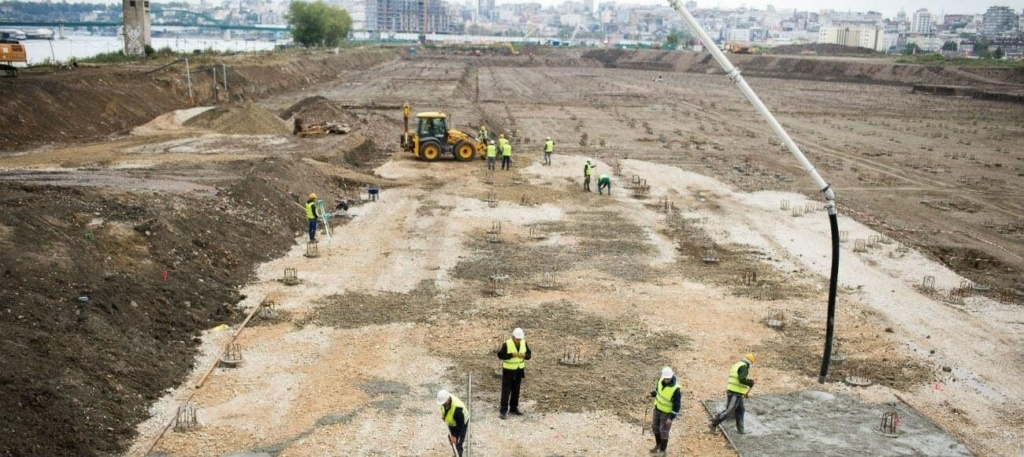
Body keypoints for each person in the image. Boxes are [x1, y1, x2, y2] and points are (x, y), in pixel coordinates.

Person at [708, 353, 756, 434]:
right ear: (750, 362)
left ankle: (741, 430)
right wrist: (751, 382)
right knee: (729, 411)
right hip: (735, 393)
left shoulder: (738, 364)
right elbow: (741, 379)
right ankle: (713, 424)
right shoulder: (744, 367)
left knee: (741, 410)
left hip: (737, 392)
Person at [497, 327, 531, 419]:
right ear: (513, 337)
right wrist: (511, 355)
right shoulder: (507, 344)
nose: (519, 341)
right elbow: (500, 355)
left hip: (519, 370)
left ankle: (513, 408)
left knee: (516, 390)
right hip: (508, 371)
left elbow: (529, 355)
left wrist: (524, 356)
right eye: (517, 339)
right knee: (506, 391)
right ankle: (503, 410)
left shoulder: (524, 343)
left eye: (520, 339)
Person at [649, 366, 681, 456]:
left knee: (663, 430)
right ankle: (658, 444)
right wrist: (651, 394)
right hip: (657, 408)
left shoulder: (676, 389)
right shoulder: (660, 380)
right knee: (654, 426)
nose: (667, 380)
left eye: (668, 378)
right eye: (665, 378)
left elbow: (677, 406)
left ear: (671, 377)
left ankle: (663, 451)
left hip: (666, 412)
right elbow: (658, 391)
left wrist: (671, 418)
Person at [437, 389, 469, 457]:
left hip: (461, 423)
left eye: (444, 403)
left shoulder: (457, 409)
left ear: (447, 400)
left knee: (457, 442)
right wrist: (444, 416)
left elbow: (461, 425)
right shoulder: (445, 400)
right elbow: (445, 409)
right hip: (453, 422)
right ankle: (456, 453)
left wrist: (455, 436)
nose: (442, 404)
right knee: (451, 439)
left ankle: (458, 454)